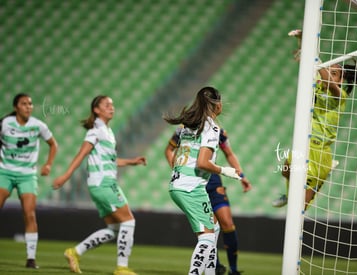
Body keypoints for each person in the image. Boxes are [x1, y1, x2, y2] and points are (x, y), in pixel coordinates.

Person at [273, 29, 357, 210]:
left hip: (320, 150)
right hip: (304, 143)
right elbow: (307, 66)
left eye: (334, 72)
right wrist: (302, 41)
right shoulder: (319, 87)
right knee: (286, 171)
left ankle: (314, 183)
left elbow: (327, 80)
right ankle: (290, 195)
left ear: (341, 80)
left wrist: (316, 60)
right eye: (329, 70)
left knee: (299, 209)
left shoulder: (340, 95)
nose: (329, 73)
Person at [53, 95, 146, 275]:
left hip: (104, 183)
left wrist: (131, 162)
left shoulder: (107, 132)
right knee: (129, 221)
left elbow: (109, 160)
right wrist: (65, 176)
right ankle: (121, 268)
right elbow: (81, 155)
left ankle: (75, 252)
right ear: (96, 110)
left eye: (112, 105)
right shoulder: (96, 130)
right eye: (107, 105)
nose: (112, 107)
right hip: (103, 184)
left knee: (113, 228)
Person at [163, 86, 242, 275]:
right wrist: (224, 170)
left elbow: (176, 152)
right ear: (217, 104)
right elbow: (202, 163)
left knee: (213, 227)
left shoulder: (188, 125)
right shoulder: (211, 127)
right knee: (206, 237)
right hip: (191, 188)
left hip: (180, 184)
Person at [165, 127, 252, 275]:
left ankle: (233, 269)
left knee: (226, 223)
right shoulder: (183, 130)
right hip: (194, 181)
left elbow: (229, 154)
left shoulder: (218, 131)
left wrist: (242, 176)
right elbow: (169, 150)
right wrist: (177, 169)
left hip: (212, 181)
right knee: (209, 229)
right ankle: (215, 266)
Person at [0, 93, 58, 269]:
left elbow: (53, 144)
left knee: (29, 213)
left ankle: (31, 259)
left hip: (27, 174)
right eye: (24, 104)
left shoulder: (38, 126)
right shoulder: (4, 124)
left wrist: (48, 164)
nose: (28, 107)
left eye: (30, 104)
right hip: (5, 172)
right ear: (16, 107)